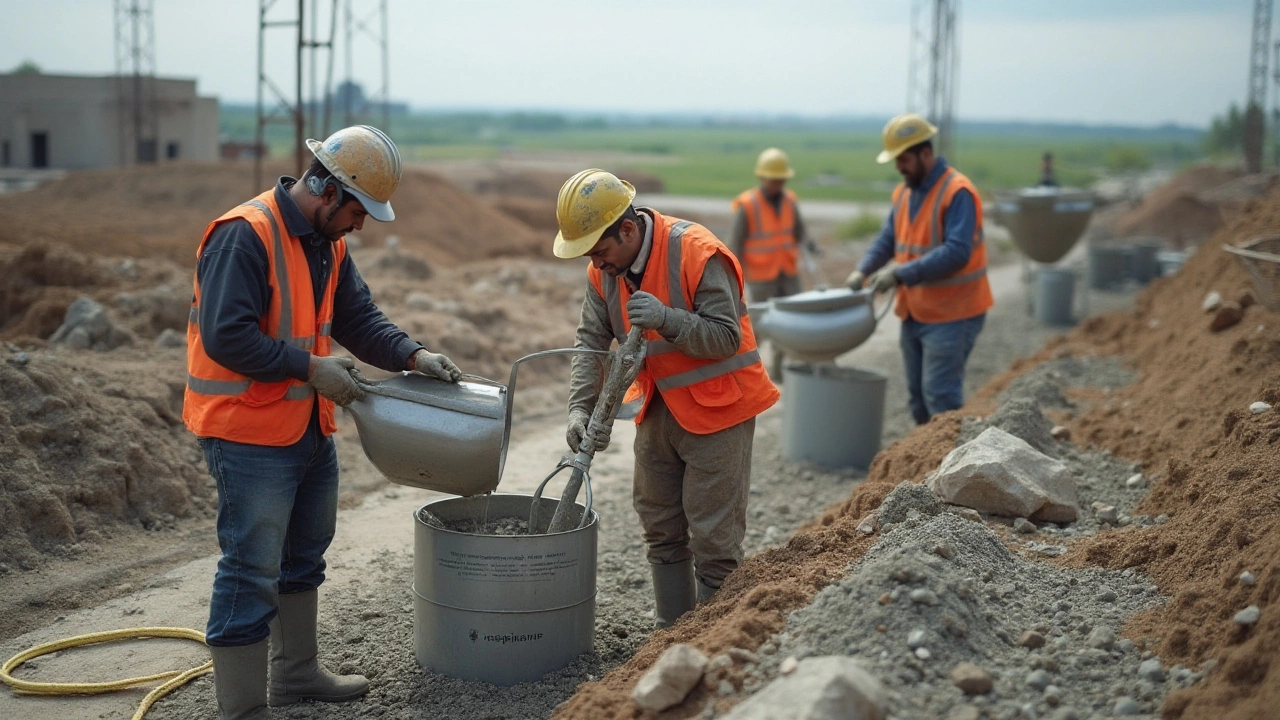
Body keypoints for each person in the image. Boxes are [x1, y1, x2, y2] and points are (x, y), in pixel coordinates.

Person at [185, 125, 463, 720]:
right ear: (328, 191)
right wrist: (310, 368)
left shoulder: (326, 242)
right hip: (246, 434)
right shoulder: (244, 236)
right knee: (251, 566)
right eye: (359, 211)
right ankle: (241, 706)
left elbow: (357, 318)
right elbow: (226, 336)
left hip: (307, 427)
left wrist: (413, 354)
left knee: (304, 554)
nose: (361, 225)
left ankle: (294, 675)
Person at [554, 169, 779, 628]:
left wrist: (667, 318)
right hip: (660, 409)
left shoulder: (699, 252)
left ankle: (713, 640)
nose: (597, 264)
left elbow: (725, 337)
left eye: (601, 251)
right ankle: (671, 633)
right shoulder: (604, 272)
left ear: (629, 229)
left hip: (720, 411)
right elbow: (591, 341)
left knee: (714, 540)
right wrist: (580, 405)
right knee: (660, 526)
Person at [845, 114, 992, 426]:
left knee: (941, 396)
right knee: (918, 398)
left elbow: (957, 252)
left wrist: (900, 274)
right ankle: (927, 465)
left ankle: (951, 467)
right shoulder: (904, 192)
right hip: (916, 311)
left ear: (926, 153)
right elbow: (888, 238)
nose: (899, 166)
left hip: (954, 313)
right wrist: (863, 270)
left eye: (904, 159)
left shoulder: (957, 192)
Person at [729, 147, 820, 377]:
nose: (778, 184)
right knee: (759, 326)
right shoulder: (748, 205)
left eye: (781, 180)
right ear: (762, 177)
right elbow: (735, 244)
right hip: (761, 277)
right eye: (774, 180)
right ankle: (751, 373)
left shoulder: (789, 201)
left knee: (789, 322)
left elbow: (800, 231)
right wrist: (733, 277)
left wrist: (810, 244)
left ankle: (779, 370)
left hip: (787, 272)